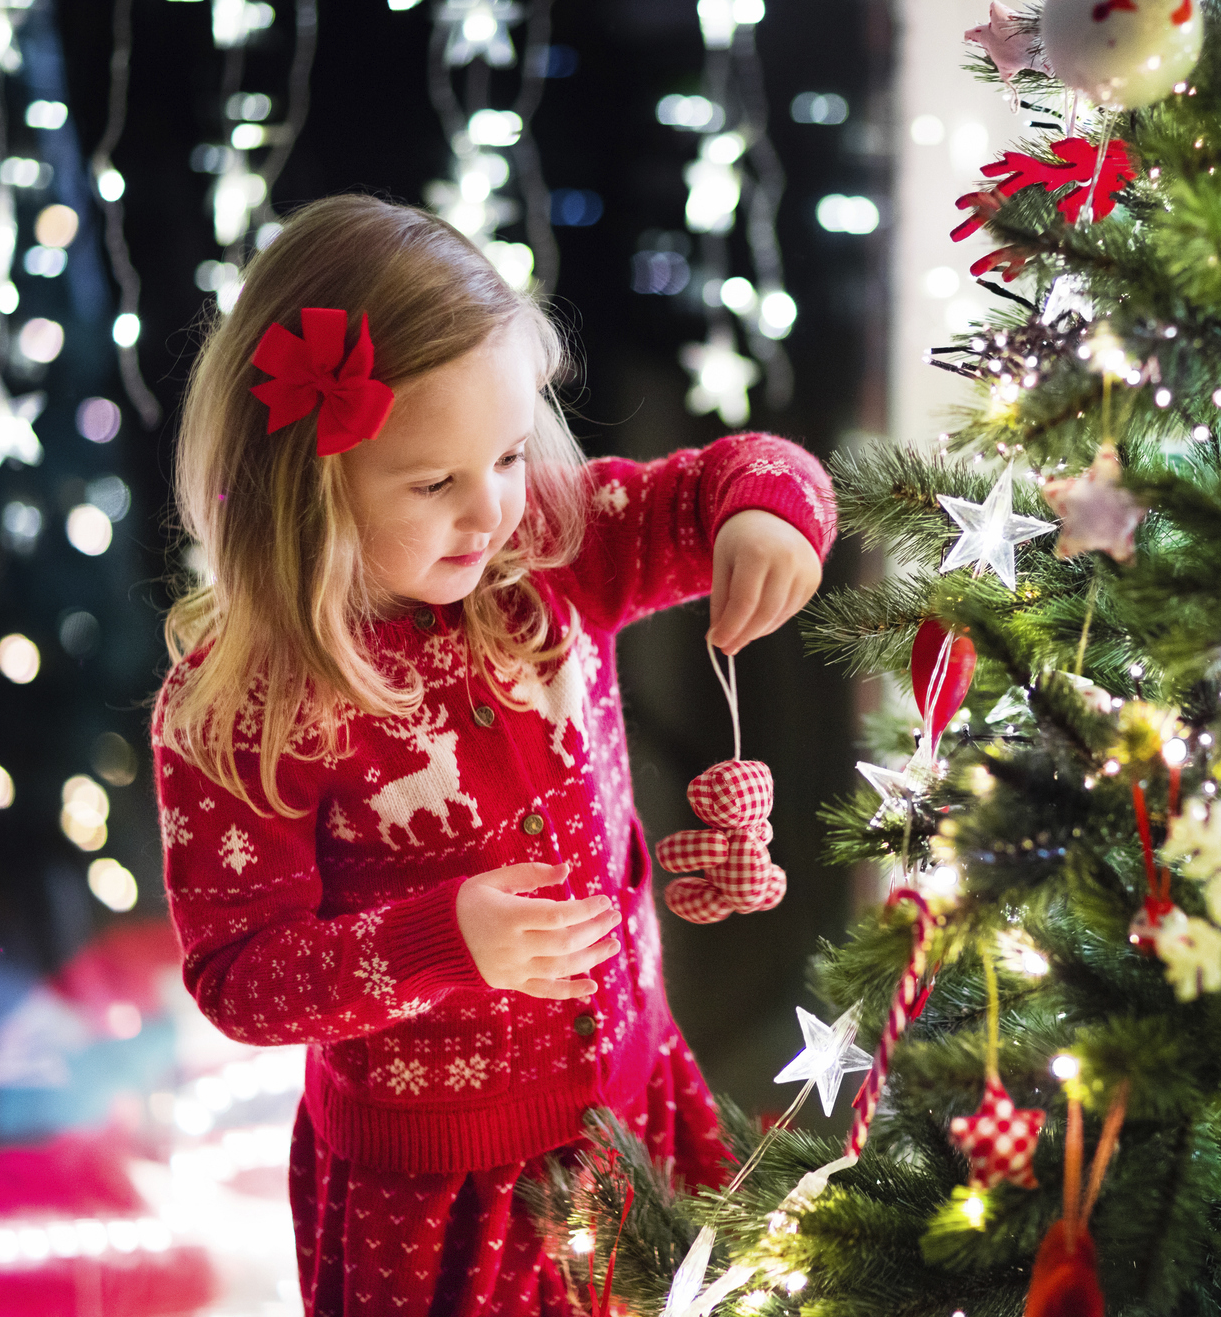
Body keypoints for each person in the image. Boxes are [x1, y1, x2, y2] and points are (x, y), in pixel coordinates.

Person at [150, 195, 834, 1315]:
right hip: (432, 1197)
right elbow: (240, 979)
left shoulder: (552, 551)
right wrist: (441, 941)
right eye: (434, 484)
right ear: (307, 485)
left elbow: (738, 472)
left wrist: (764, 514)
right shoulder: (246, 705)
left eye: (511, 454)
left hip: (632, 1108)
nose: (490, 511)